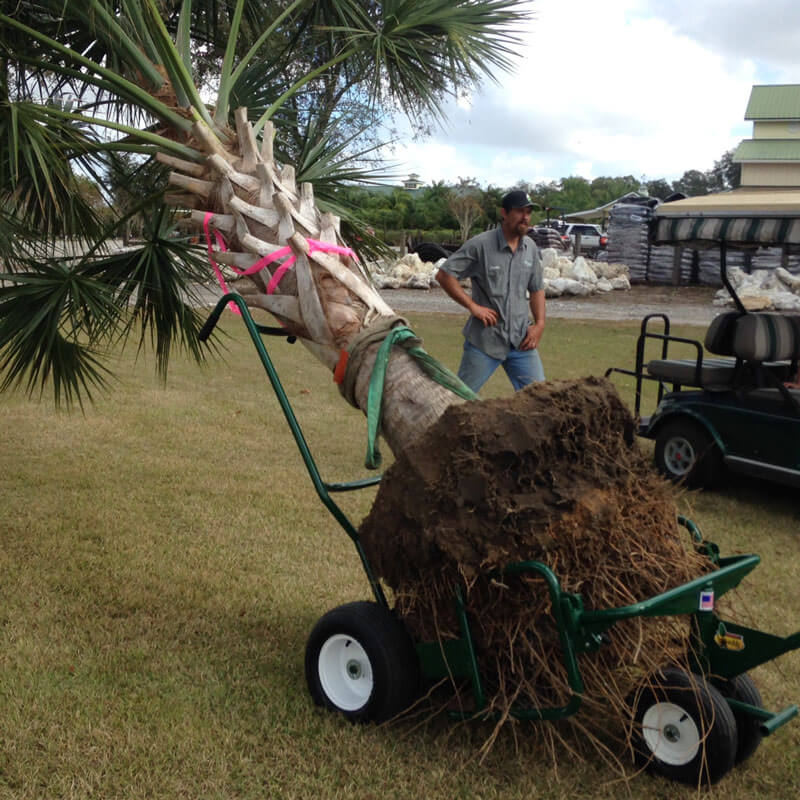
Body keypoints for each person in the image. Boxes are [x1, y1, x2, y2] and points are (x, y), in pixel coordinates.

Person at [435, 189, 546, 393]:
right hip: (485, 342)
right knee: (461, 400)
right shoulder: (480, 245)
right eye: (520, 211)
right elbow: (444, 275)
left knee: (541, 398)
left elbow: (537, 289)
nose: (526, 218)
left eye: (528, 212)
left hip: (521, 342)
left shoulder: (530, 248)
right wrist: (473, 306)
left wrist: (539, 325)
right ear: (504, 213)